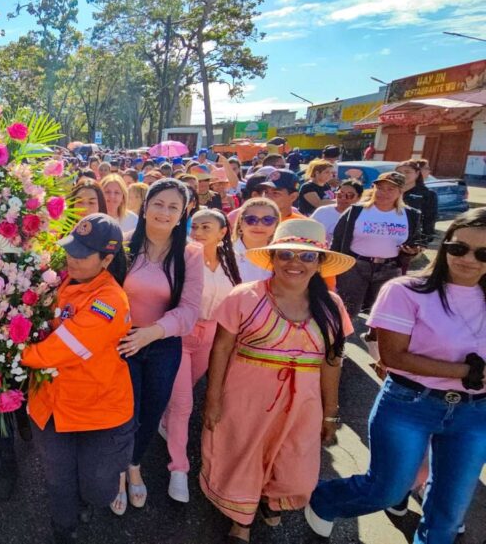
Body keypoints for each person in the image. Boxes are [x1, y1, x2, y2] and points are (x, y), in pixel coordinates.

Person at [306, 208, 486, 544]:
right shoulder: (406, 290)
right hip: (410, 404)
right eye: (459, 248)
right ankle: (325, 498)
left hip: (476, 413)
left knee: (449, 513)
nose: (469, 259)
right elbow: (393, 356)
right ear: (445, 246)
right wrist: (470, 372)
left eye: (483, 253)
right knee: (386, 491)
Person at [202, 219, 354, 543]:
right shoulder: (245, 295)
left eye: (306, 256)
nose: (294, 263)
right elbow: (222, 347)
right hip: (247, 393)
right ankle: (242, 519)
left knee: (297, 467)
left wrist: (331, 412)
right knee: (244, 454)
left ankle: (270, 496)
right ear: (272, 260)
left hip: (305, 401)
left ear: (320, 262)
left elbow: (332, 360)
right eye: (285, 254)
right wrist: (213, 400)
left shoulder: (332, 307)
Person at [20, 213, 135, 544]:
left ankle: (87, 501)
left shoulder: (109, 301)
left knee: (98, 488)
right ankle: (64, 529)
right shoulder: (65, 280)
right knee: (58, 481)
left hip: (99, 411)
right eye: (71, 250)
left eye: (83, 255)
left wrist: (9, 347)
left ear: (107, 259)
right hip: (53, 406)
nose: (72, 258)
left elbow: (55, 352)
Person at [115, 178, 203, 513]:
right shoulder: (124, 245)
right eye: (158, 204)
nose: (164, 212)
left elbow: (190, 311)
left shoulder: (189, 254)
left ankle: (134, 464)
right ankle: (118, 472)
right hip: (124, 342)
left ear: (182, 214)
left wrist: (153, 332)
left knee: (152, 411)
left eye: (173, 207)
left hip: (163, 343)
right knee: (126, 412)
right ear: (145, 206)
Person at [161, 209, 241, 503]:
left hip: (212, 338)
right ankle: (179, 468)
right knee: (185, 404)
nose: (197, 232)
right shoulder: (180, 258)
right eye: (194, 226)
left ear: (223, 232)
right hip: (180, 335)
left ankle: (166, 421)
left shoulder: (233, 263)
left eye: (206, 227)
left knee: (184, 394)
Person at [331, 172, 423, 317]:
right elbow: (337, 239)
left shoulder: (411, 215)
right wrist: (335, 267)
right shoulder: (357, 210)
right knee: (346, 312)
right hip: (356, 267)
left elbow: (416, 241)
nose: (383, 193)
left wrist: (412, 251)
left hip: (390, 269)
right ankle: (338, 339)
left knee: (383, 314)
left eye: (390, 189)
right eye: (380, 188)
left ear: (401, 191)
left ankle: (373, 339)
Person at [232, 198, 281, 283]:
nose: (259, 225)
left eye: (267, 220)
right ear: (240, 222)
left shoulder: (283, 256)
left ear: (276, 224)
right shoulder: (221, 254)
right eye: (251, 219)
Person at [397, 159, 439, 247]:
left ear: (417, 173)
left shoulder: (427, 194)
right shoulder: (390, 191)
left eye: (407, 172)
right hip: (389, 235)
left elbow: (430, 218)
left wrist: (424, 241)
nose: (403, 175)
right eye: (399, 172)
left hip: (411, 240)